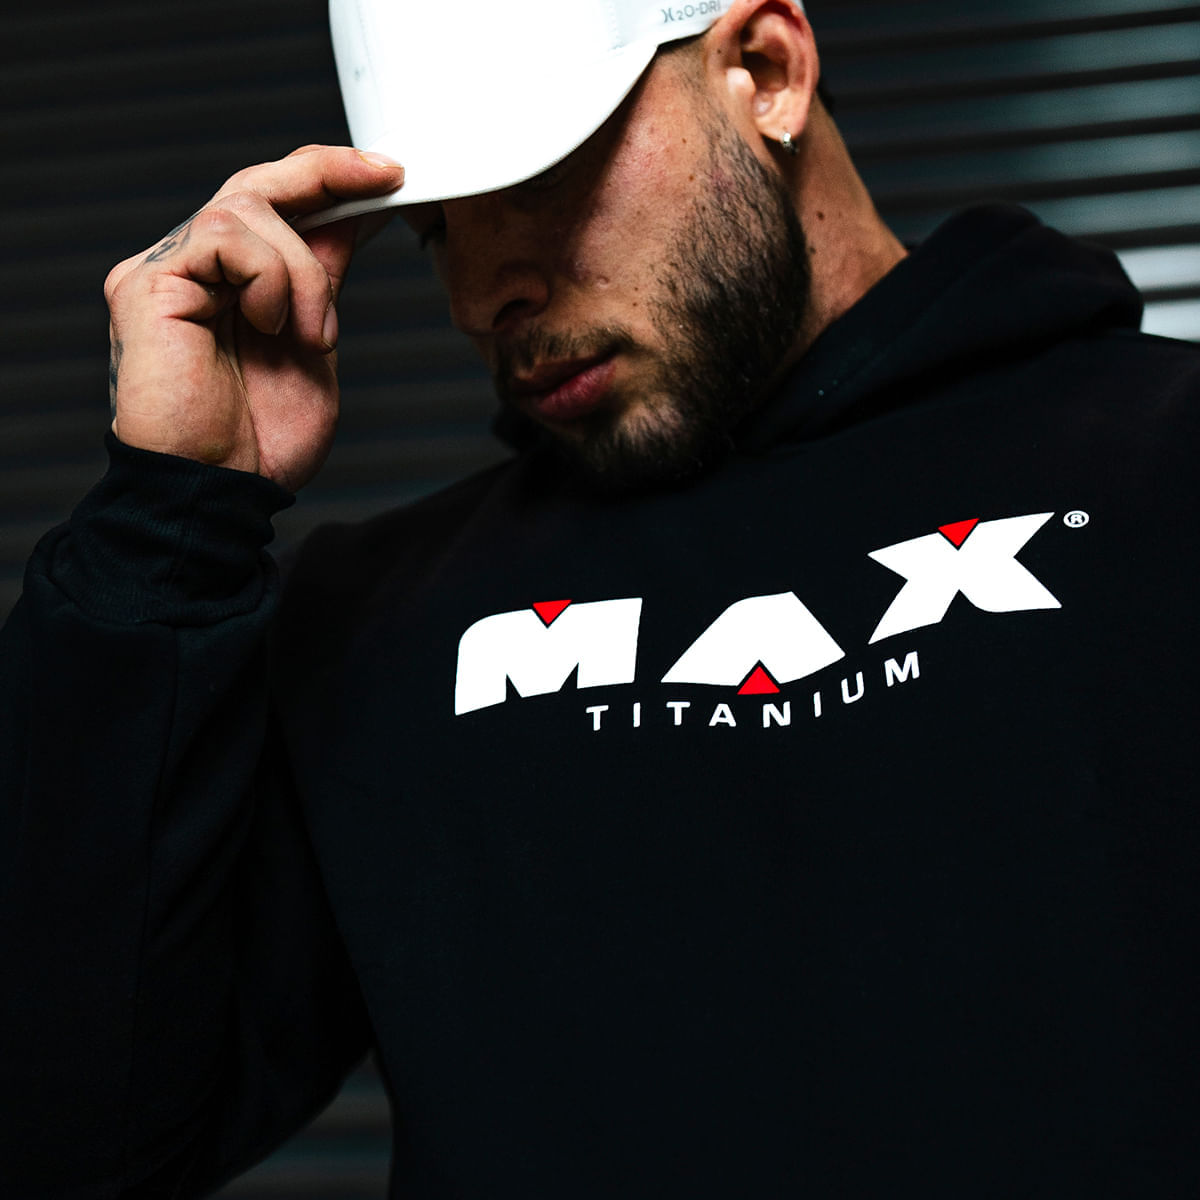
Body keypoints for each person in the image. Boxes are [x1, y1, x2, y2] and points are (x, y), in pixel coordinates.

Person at [3, 0, 1199, 1195]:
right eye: (437, 232)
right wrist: (169, 520)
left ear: (766, 68)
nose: (482, 296)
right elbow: (67, 1134)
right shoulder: (386, 619)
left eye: (539, 184)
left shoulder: (1159, 461)